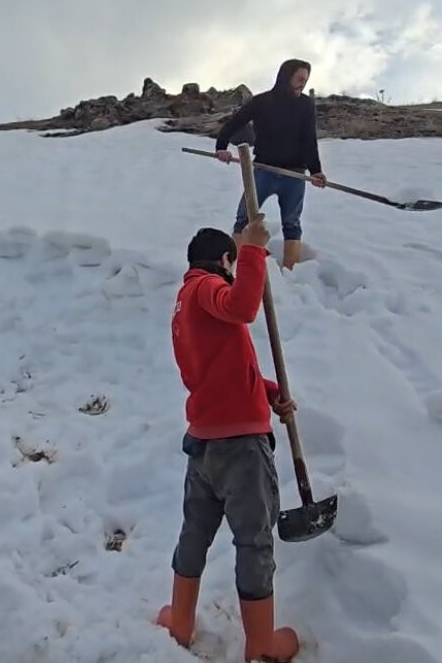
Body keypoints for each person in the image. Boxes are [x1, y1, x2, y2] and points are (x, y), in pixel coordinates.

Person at [156, 218, 300, 662]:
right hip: (241, 448)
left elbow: (223, 369)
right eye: (233, 264)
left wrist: (268, 392)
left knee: (195, 533)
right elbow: (242, 307)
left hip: (205, 443)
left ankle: (181, 621)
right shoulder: (207, 289)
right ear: (224, 260)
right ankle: (261, 646)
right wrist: (254, 249)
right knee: (253, 541)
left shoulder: (185, 304)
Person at [213, 58, 327, 270]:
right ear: (286, 77)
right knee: (243, 219)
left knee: (292, 224)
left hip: (294, 174)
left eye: (306, 79)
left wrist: (316, 171)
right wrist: (221, 147)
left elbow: (309, 139)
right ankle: (232, 271)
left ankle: (290, 273)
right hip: (264, 170)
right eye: (299, 78)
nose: (303, 83)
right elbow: (234, 123)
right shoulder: (262, 101)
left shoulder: (305, 105)